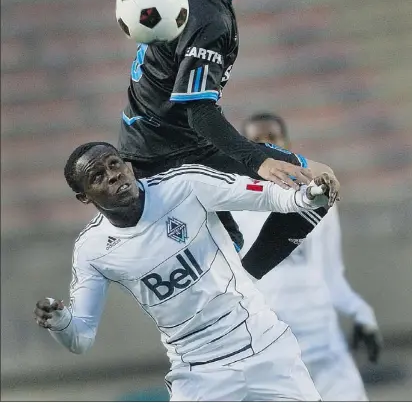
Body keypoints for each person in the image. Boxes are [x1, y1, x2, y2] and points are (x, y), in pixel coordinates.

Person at [117, 0, 382, 279]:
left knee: (229, 246)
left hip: (150, 138)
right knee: (317, 185)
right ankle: (246, 286)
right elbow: (200, 111)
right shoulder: (208, 21)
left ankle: (235, 285)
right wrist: (260, 162)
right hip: (171, 153)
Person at [34, 141, 338, 401]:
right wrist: (59, 321)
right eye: (98, 177)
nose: (113, 176)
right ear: (84, 197)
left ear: (129, 166)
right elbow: (80, 337)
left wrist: (306, 197)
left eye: (115, 164)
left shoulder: (184, 185)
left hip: (264, 346)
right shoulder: (92, 250)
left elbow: (267, 195)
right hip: (198, 372)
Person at [233, 112, 382, 401]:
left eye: (272, 138)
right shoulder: (232, 203)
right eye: (257, 141)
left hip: (325, 345)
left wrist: (362, 314)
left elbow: (331, 274)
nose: (267, 145)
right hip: (271, 351)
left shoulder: (319, 197)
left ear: (286, 144)